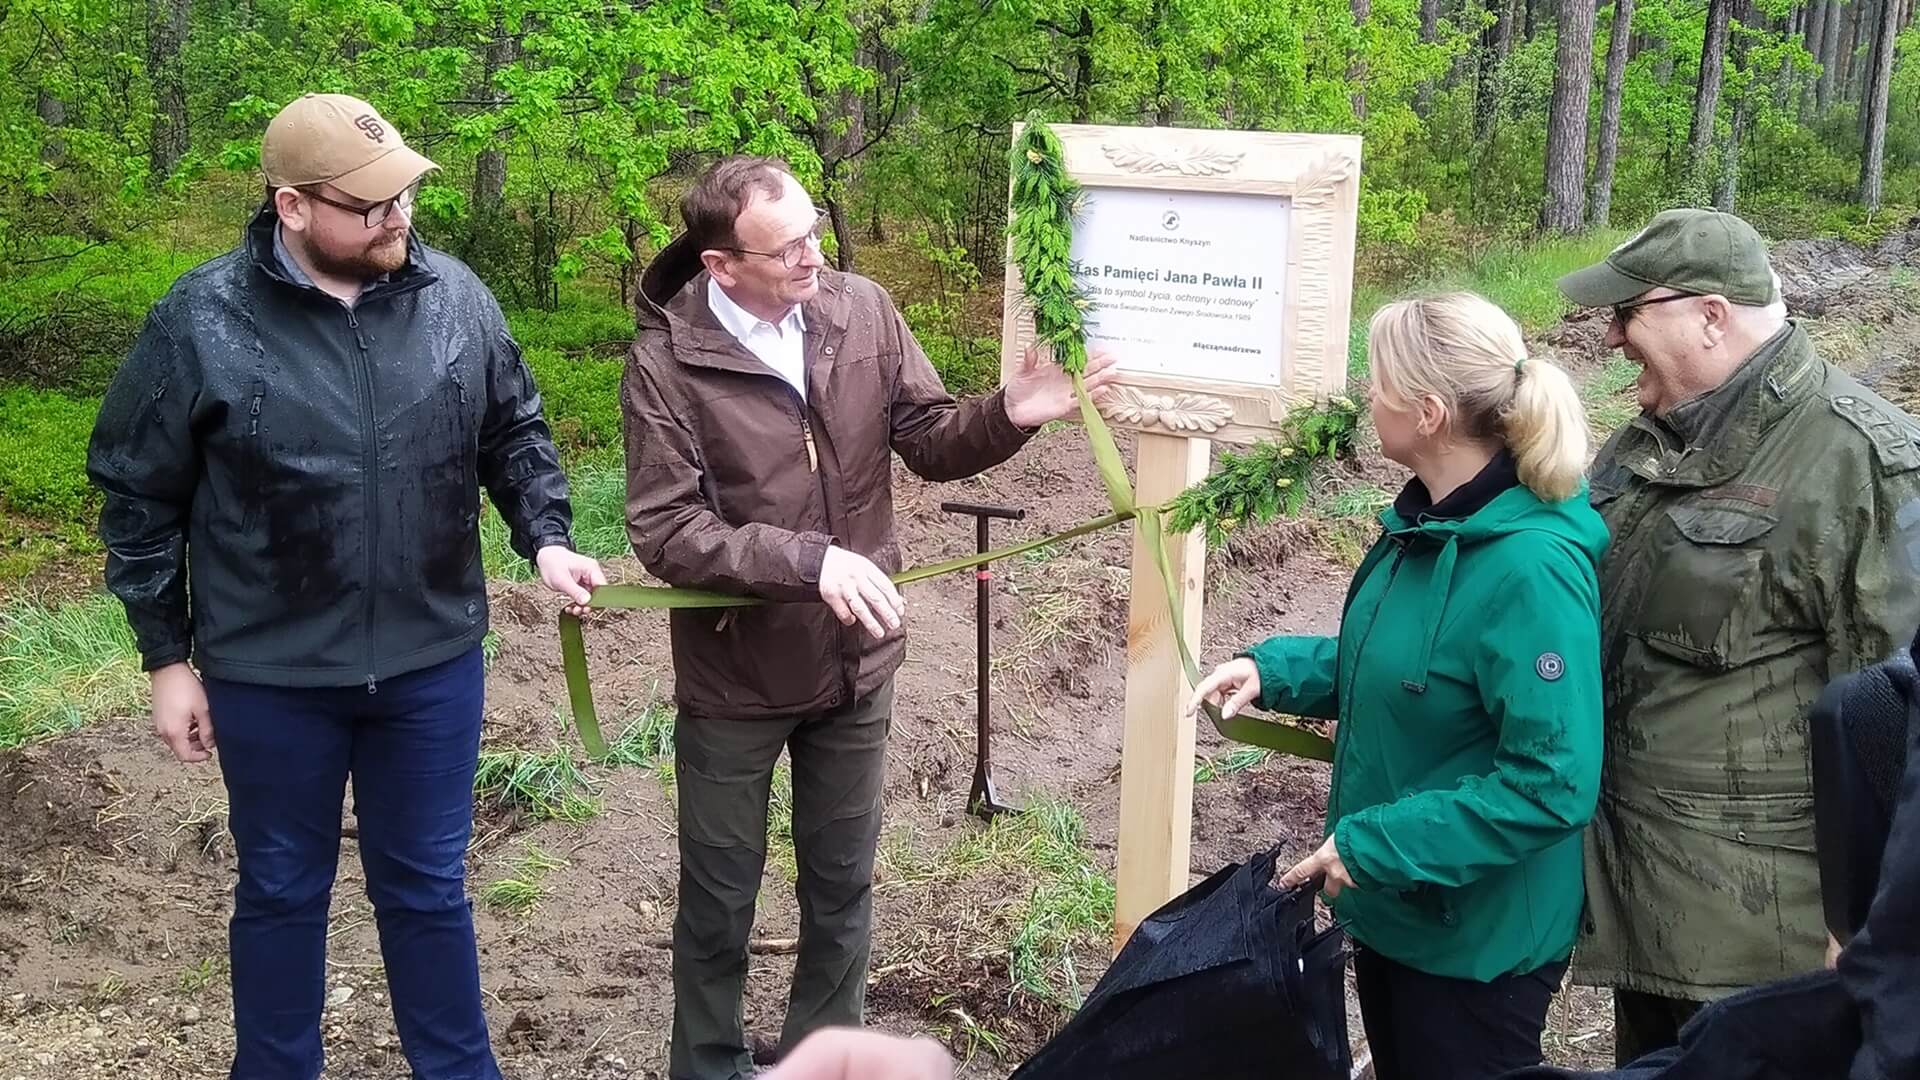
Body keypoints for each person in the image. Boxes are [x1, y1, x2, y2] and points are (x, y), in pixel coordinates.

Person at [85, 92, 604, 1079]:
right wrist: (166, 659)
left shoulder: (456, 298)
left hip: (429, 664)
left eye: (404, 195)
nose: (396, 219)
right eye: (368, 206)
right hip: (269, 673)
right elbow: (136, 494)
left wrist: (545, 538)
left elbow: (515, 429)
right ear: (292, 208)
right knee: (280, 890)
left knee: (427, 890)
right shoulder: (201, 320)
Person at [621, 155, 1116, 1080]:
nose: (816, 257)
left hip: (858, 665)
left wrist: (1011, 412)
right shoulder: (667, 362)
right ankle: (708, 1066)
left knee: (843, 887)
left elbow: (928, 437)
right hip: (738, 678)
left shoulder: (861, 310)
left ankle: (822, 1062)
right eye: (789, 247)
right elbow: (666, 529)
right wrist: (808, 562)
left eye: (815, 231)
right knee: (720, 899)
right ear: (722, 265)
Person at [1190, 292, 1607, 1080]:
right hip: (1402, 908)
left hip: (1475, 940)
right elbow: (1402, 663)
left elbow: (1553, 782)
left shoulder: (1532, 570)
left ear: (1428, 413)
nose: (1362, 396)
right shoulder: (1425, 523)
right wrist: (1275, 672)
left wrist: (1378, 843)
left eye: (1373, 381)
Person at [1554, 208, 1920, 1065]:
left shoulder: (1865, 462)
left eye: (1627, 314)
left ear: (1710, 315)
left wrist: (1870, 930)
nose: (1610, 337)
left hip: (1771, 942)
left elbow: (1896, 725)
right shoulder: (1643, 443)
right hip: (1643, 904)